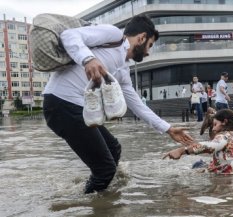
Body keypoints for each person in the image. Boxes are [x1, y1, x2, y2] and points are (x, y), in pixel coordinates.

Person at [42, 15, 193, 194]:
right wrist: (88, 59)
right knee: (105, 170)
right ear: (142, 37)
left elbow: (136, 103)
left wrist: (168, 128)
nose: (148, 52)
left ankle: (102, 196)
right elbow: (68, 35)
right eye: (150, 45)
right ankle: (91, 204)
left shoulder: (123, 69)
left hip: (76, 108)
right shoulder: (113, 35)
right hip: (60, 104)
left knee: (114, 149)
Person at [163, 109, 233, 175]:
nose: (214, 128)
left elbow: (208, 146)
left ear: (224, 122)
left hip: (229, 177)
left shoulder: (225, 136)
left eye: (215, 124)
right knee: (204, 165)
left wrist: (182, 150)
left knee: (197, 165)